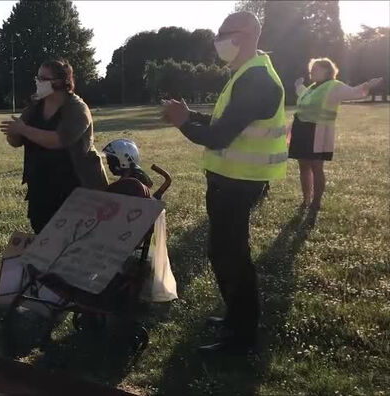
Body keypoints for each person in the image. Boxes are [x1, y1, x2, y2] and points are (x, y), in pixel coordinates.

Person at [162, 11, 285, 354]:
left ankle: (242, 336)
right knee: (223, 252)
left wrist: (182, 123)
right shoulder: (246, 73)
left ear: (246, 34)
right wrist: (190, 116)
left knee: (232, 256)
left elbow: (218, 136)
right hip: (230, 179)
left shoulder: (257, 80)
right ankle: (235, 318)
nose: (218, 40)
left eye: (223, 33)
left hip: (238, 182)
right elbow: (225, 121)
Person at [0, 59, 109, 233]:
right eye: (37, 77)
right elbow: (16, 141)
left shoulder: (77, 109)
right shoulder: (36, 105)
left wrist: (23, 129)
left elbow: (59, 140)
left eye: (43, 78)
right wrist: (13, 133)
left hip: (75, 187)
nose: (38, 82)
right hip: (40, 186)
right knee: (43, 234)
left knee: (72, 239)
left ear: (60, 82)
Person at [289, 58, 383, 211]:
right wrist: (298, 85)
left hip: (317, 132)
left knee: (316, 167)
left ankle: (316, 202)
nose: (312, 72)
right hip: (302, 130)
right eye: (311, 70)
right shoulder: (312, 88)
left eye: (316, 69)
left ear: (327, 71)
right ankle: (305, 200)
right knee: (303, 166)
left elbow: (353, 92)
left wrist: (368, 85)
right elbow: (303, 95)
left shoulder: (334, 86)